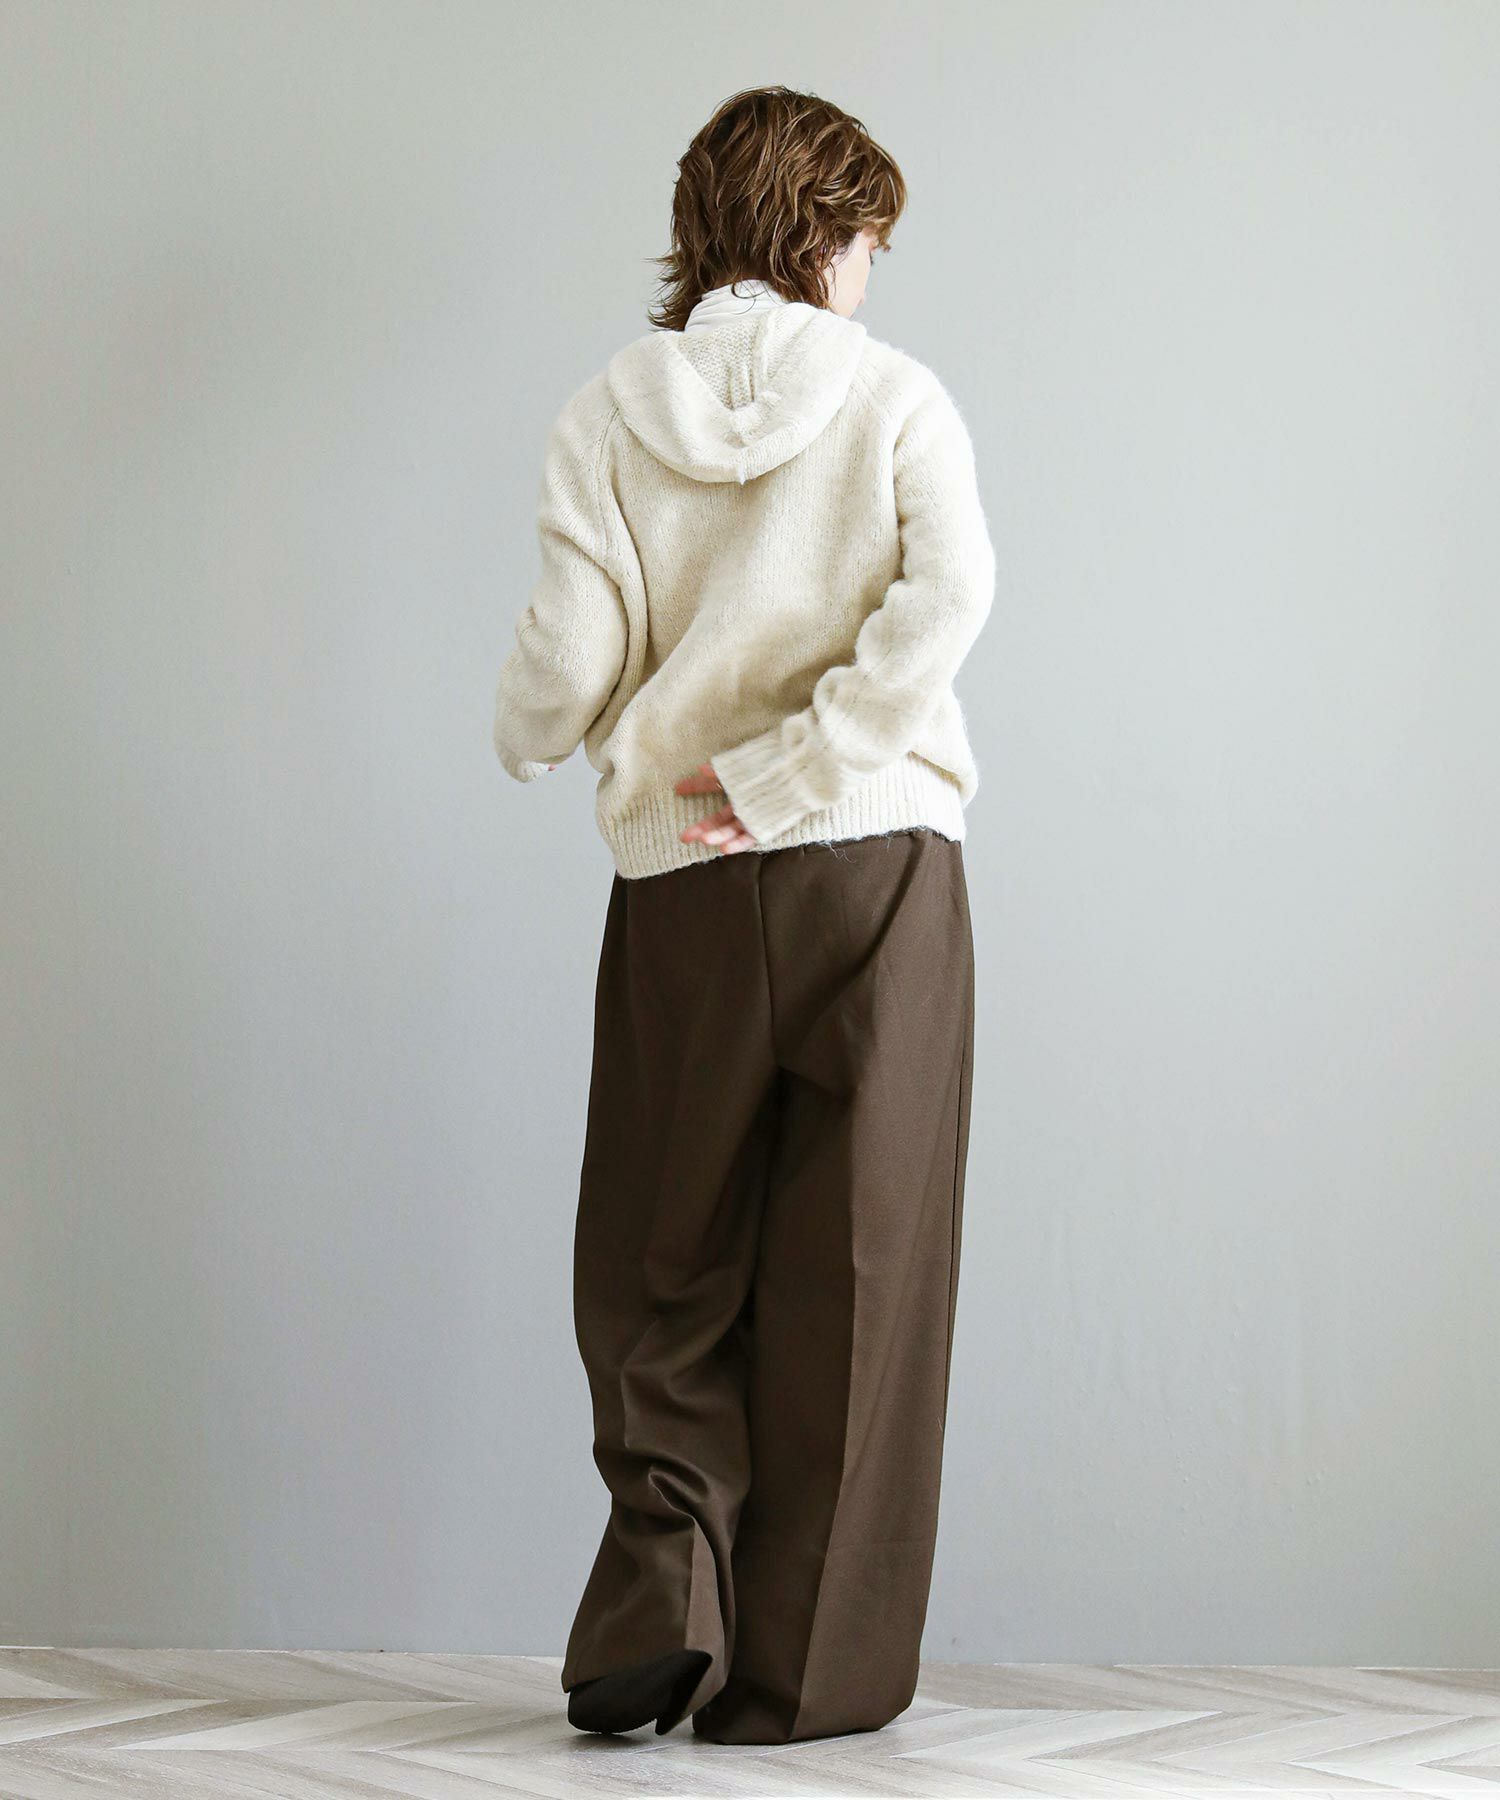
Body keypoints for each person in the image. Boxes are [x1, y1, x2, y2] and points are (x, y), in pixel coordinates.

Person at [492, 83, 996, 1746]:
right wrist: (809, 764)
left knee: (663, 1256)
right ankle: (800, 1678)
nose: (871, 276)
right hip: (878, 865)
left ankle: (662, 1602)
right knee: (859, 1263)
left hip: (684, 883)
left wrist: (530, 738)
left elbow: (567, 663)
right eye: (870, 243)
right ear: (825, 234)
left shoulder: (605, 416)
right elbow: (953, 593)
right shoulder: (895, 397)